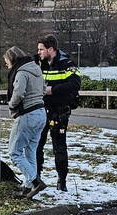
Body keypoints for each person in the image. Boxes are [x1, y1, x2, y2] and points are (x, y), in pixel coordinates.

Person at [35, 34, 82, 191]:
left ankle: (62, 181)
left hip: (59, 111)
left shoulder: (66, 63)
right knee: (37, 144)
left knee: (59, 146)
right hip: (42, 110)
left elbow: (75, 84)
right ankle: (36, 176)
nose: (39, 52)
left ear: (51, 49)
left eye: (41, 49)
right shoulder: (40, 63)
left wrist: (52, 90)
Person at [5, 46, 48, 198]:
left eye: (7, 62)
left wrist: (10, 104)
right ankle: (28, 187)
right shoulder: (36, 69)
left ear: (12, 59)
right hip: (41, 113)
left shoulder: (22, 72)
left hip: (27, 115)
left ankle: (35, 181)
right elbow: (43, 90)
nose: (6, 66)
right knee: (30, 152)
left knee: (14, 152)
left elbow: (18, 93)